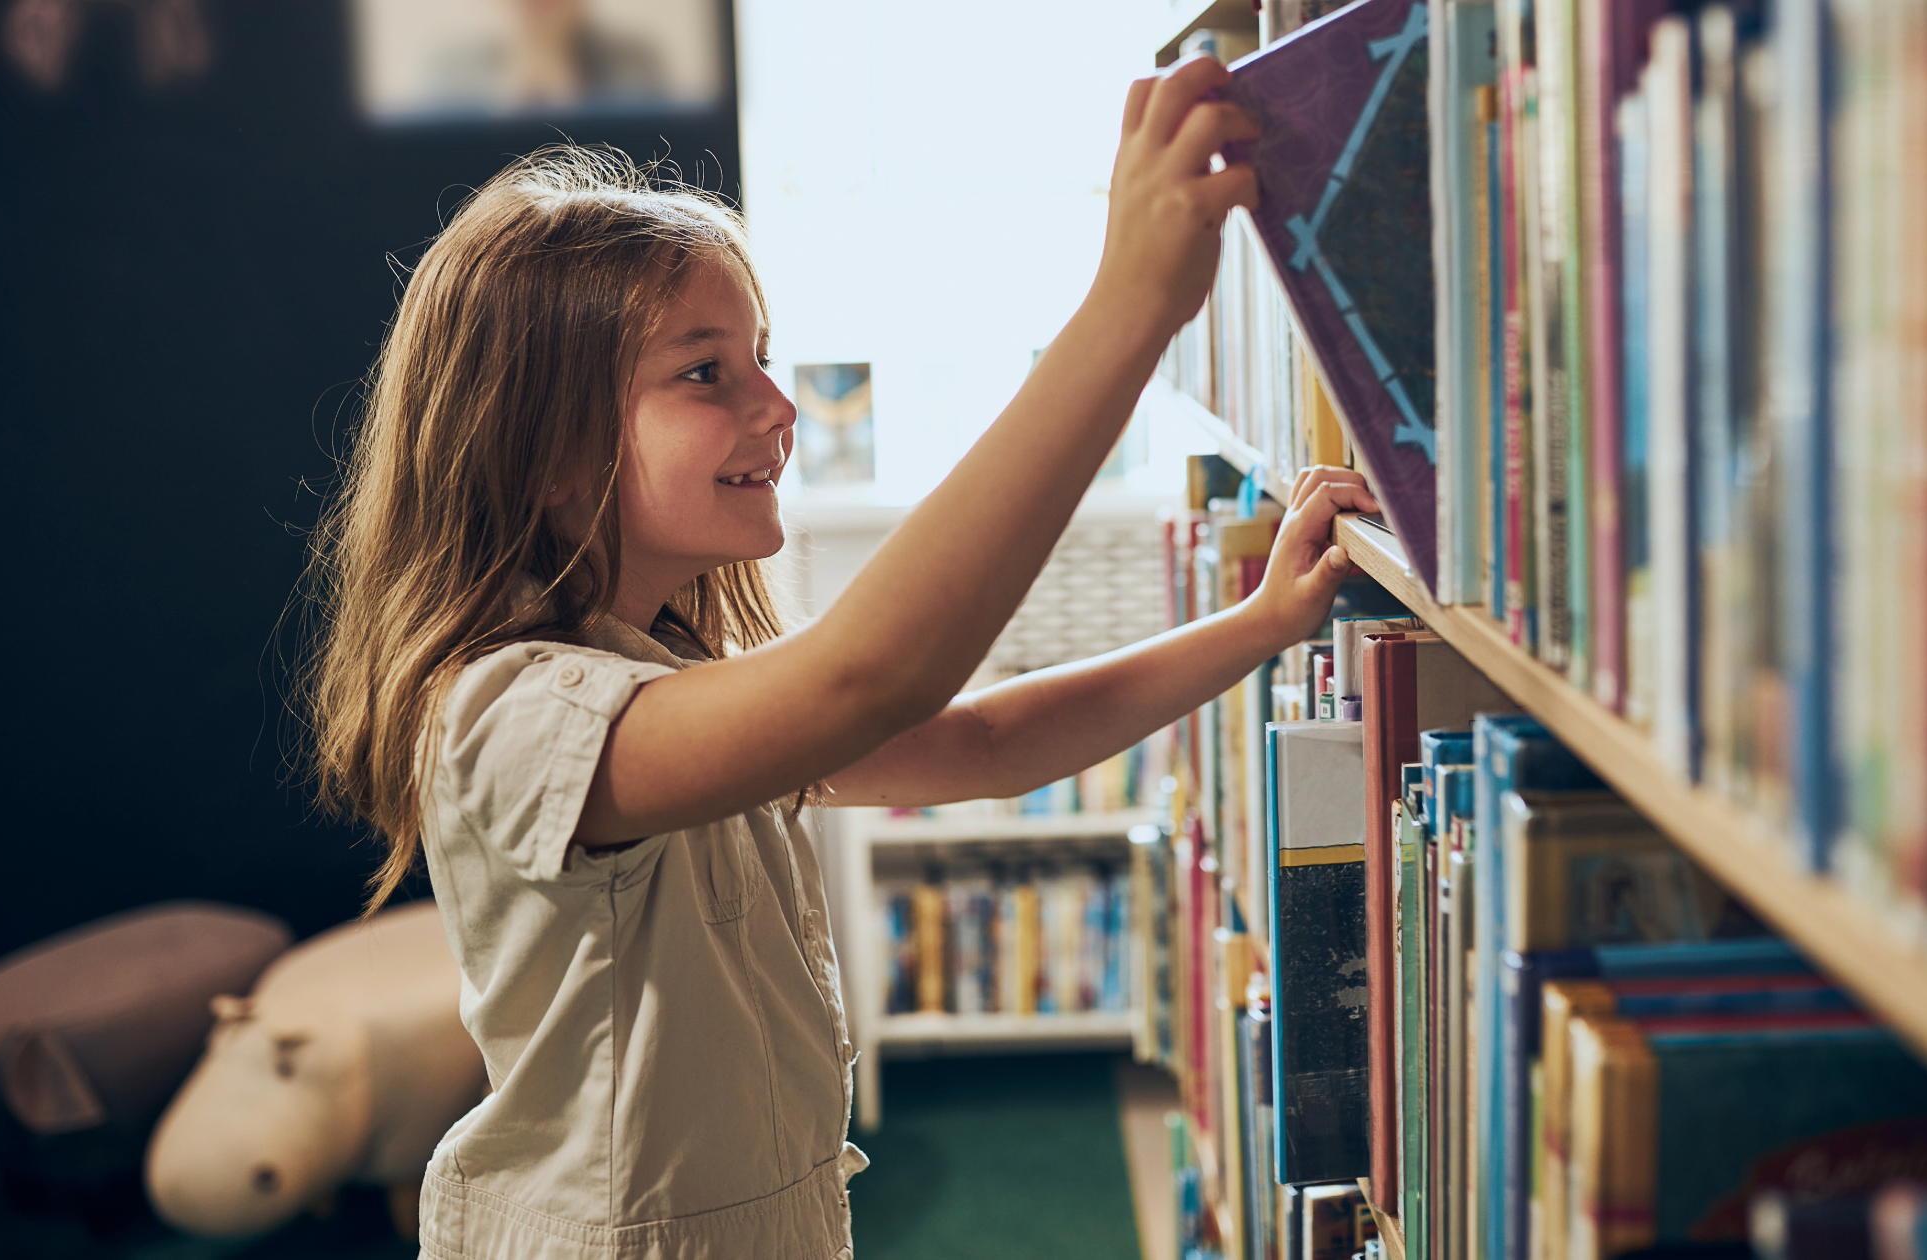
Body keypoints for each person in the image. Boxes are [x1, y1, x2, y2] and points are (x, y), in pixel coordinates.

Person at [303, 53, 1378, 1260]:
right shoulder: (509, 712)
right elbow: (869, 676)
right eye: (704, 372)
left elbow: (985, 741)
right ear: (543, 456)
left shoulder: (666, 680)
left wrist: (1259, 625)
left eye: (759, 355)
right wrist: (1128, 305)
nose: (776, 404)